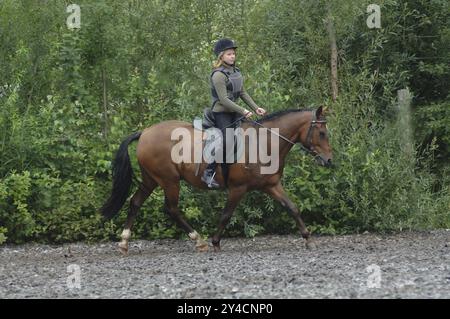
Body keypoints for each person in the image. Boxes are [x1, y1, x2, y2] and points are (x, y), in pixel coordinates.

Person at [201, 38, 267, 188]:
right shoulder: (218, 75)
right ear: (221, 56)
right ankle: (208, 173)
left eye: (233, 54)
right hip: (221, 113)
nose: (232, 56)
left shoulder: (236, 72)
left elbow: (242, 92)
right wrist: (243, 110)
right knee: (226, 141)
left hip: (234, 112)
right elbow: (223, 100)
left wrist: (256, 107)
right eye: (229, 54)